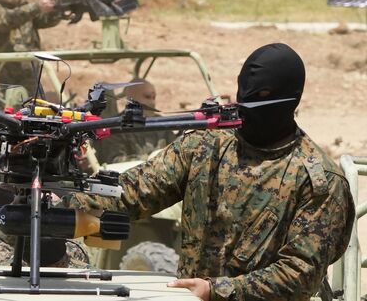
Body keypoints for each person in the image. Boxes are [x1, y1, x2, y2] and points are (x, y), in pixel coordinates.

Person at [65, 43, 355, 301]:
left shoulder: (319, 181)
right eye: (244, 92)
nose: (245, 106)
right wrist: (60, 199)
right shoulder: (206, 145)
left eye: (261, 97)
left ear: (290, 100)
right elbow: (134, 192)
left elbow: (299, 276)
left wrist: (216, 291)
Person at [93, 79, 176, 164]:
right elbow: (116, 162)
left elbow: (176, 151)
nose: (152, 102)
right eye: (147, 97)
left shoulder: (161, 123)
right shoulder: (115, 127)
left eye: (153, 98)